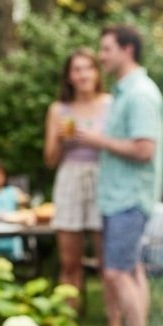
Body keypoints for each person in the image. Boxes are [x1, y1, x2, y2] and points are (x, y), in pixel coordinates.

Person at [75, 25, 163, 326]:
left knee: (116, 273)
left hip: (129, 198)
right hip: (120, 197)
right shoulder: (125, 91)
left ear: (127, 50)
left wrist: (98, 141)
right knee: (131, 271)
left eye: (107, 48)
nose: (101, 56)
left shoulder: (140, 93)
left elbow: (144, 149)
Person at [44, 48, 112, 311]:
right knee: (70, 263)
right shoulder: (59, 110)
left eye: (88, 68)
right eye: (77, 69)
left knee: (107, 261)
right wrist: (61, 140)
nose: (83, 74)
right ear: (69, 77)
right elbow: (50, 159)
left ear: (97, 72)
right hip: (70, 180)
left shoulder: (111, 104)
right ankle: (66, 323)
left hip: (103, 180)